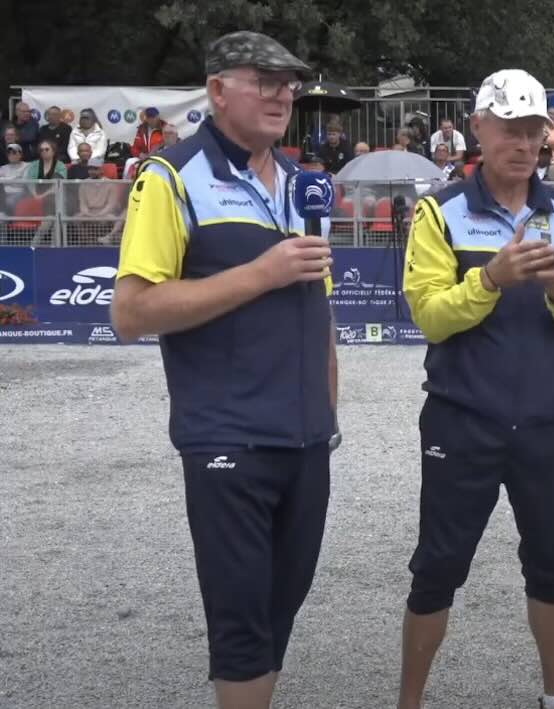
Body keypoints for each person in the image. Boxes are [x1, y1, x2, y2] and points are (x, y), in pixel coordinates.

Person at [108, 30, 338, 709]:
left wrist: (329, 416)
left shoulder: (305, 185)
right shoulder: (171, 176)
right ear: (215, 90)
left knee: (276, 618)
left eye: (289, 82)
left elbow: (317, 315)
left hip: (306, 441)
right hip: (227, 440)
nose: (281, 93)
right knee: (241, 628)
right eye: (262, 79)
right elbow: (131, 311)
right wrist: (260, 273)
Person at [398, 68, 554, 709]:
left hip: (548, 420)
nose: (521, 145)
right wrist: (489, 280)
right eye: (509, 130)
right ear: (478, 129)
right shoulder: (441, 211)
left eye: (532, 132)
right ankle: (409, 702)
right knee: (437, 567)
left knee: (552, 565)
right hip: (463, 419)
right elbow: (428, 315)